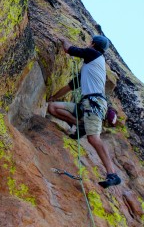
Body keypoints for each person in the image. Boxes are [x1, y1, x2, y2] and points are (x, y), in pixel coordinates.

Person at [47, 35, 122, 188]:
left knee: (94, 139)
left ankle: (112, 174)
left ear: (93, 44)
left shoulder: (94, 54)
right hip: (86, 105)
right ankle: (80, 126)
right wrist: (52, 97)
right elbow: (71, 85)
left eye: (90, 42)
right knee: (53, 108)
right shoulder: (90, 68)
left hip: (94, 104)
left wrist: (62, 39)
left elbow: (69, 49)